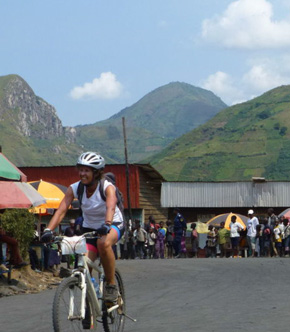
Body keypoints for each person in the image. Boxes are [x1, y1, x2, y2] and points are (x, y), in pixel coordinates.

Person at [41, 151, 125, 304]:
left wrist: (106, 224)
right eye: (80, 169)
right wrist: (48, 230)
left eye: (86, 170)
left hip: (113, 224)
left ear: (96, 172)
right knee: (83, 263)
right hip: (89, 228)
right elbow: (61, 210)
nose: (82, 173)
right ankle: (89, 306)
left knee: (103, 243)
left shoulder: (107, 187)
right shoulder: (74, 188)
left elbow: (111, 207)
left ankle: (111, 284)